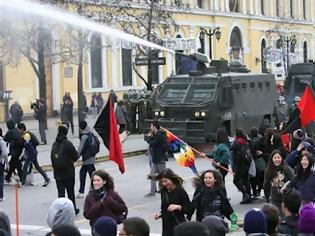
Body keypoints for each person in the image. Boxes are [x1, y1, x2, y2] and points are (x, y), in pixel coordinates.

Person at [51, 125, 79, 215]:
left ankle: (61, 210)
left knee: (61, 193)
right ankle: (73, 209)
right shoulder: (68, 143)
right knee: (70, 192)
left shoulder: (54, 144)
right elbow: (75, 157)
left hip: (57, 173)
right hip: (68, 172)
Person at [154, 168, 192, 236]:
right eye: (162, 182)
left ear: (172, 179)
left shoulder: (180, 191)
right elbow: (164, 208)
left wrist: (178, 207)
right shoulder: (164, 191)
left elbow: (189, 209)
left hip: (178, 225)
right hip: (166, 227)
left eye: (166, 181)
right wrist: (160, 214)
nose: (164, 184)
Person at [264, 149, 295, 217]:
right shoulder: (268, 170)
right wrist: (267, 199)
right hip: (274, 198)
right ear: (272, 159)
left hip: (285, 198)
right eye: (275, 158)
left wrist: (286, 186)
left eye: (278, 157)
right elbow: (266, 185)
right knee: (275, 217)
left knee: (284, 217)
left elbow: (293, 180)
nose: (277, 160)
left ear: (281, 158)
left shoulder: (286, 168)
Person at [145, 121, 167, 197]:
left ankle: (166, 190)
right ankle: (152, 191)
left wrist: (149, 138)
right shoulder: (156, 135)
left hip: (160, 158)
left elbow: (153, 144)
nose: (150, 128)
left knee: (163, 176)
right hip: (156, 158)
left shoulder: (159, 135)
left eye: (151, 126)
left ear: (154, 127)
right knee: (152, 174)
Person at [230, 128, 252, 204]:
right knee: (245, 180)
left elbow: (231, 147)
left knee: (236, 180)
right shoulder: (245, 141)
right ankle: (248, 195)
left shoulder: (237, 142)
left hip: (240, 163)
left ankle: (245, 194)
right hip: (246, 162)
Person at [76, 121, 96, 198]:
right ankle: (85, 191)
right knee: (86, 174)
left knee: (91, 175)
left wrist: (75, 158)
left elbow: (80, 149)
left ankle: (84, 191)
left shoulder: (84, 136)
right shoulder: (90, 133)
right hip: (91, 157)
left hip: (87, 158)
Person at [248, 127, 265, 199]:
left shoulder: (251, 142)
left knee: (254, 179)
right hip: (262, 160)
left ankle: (255, 193)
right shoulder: (261, 140)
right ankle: (261, 190)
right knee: (262, 178)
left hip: (255, 161)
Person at [0, 128, 8, 201]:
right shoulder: (2, 142)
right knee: (0, 179)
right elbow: (5, 154)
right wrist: (7, 163)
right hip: (0, 162)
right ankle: (1, 196)